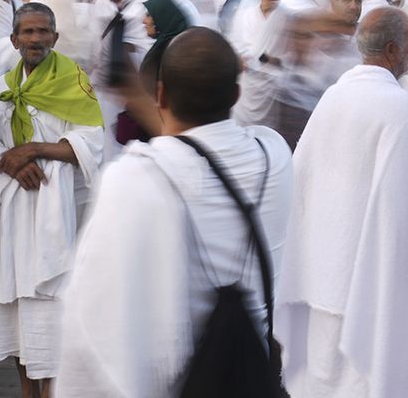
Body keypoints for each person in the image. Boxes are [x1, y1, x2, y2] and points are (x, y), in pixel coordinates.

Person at [59, 28, 294, 396]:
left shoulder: (133, 177)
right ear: (235, 94)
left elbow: (90, 322)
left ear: (161, 94)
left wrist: (136, 97)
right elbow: (202, 148)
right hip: (254, 371)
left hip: (176, 383)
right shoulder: (273, 156)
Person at [279, 7, 408, 398]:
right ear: (394, 50)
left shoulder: (335, 94)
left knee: (320, 375)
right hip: (366, 271)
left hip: (322, 266)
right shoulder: (397, 106)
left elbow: (302, 179)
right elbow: (399, 204)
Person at [0, 2, 105, 396]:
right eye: (27, 32)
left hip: (55, 216)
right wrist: (8, 161)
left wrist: (32, 150)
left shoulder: (74, 81)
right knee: (16, 310)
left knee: (54, 309)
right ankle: (28, 392)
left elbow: (93, 143)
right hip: (12, 217)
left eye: (43, 32)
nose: (35, 39)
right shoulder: (5, 87)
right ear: (14, 39)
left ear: (55, 38)